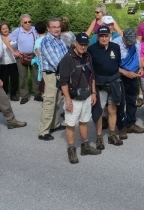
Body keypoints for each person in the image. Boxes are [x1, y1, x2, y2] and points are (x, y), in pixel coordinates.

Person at [58, 32, 101, 164]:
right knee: (71, 124)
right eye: (81, 44)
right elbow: (63, 82)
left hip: (87, 95)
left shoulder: (88, 56)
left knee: (84, 121)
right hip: (74, 98)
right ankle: (71, 149)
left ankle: (85, 146)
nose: (83, 47)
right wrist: (68, 100)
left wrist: (93, 93)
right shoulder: (67, 59)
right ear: (75, 43)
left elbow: (92, 75)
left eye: (85, 44)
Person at [88, 26, 124, 150]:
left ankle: (112, 134)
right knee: (99, 111)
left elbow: (117, 62)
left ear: (110, 36)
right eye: (101, 36)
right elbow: (90, 70)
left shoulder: (116, 47)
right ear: (98, 37)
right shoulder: (91, 49)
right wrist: (92, 90)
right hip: (99, 83)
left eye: (106, 36)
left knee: (113, 110)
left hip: (114, 81)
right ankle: (99, 137)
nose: (104, 38)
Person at [113, 29, 144, 138]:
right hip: (120, 76)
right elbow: (112, 64)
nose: (131, 44)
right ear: (123, 38)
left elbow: (139, 56)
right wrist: (125, 72)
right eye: (128, 42)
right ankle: (121, 127)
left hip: (133, 75)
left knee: (132, 100)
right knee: (121, 102)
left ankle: (131, 123)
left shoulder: (136, 42)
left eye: (132, 41)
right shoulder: (115, 44)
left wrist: (141, 67)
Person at [37, 18, 67, 141]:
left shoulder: (60, 40)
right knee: (49, 102)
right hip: (51, 74)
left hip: (60, 74)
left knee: (57, 101)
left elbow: (66, 56)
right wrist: (69, 71)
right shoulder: (46, 42)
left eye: (58, 27)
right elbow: (56, 62)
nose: (56, 29)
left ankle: (54, 124)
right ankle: (43, 131)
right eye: (54, 27)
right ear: (48, 28)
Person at [9, 14, 40, 104]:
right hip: (21, 57)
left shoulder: (34, 30)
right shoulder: (17, 31)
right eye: (25, 22)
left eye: (29, 22)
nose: (28, 24)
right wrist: (14, 52)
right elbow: (8, 40)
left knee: (35, 75)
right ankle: (24, 96)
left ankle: (37, 94)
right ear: (21, 23)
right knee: (23, 77)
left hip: (33, 56)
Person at [0, 23, 19, 100]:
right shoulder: (0, 38)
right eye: (3, 29)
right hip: (3, 62)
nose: (5, 30)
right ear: (0, 30)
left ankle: (13, 94)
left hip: (14, 61)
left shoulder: (13, 36)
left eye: (6, 28)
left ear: (8, 28)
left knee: (15, 79)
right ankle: (4, 95)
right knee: (4, 80)